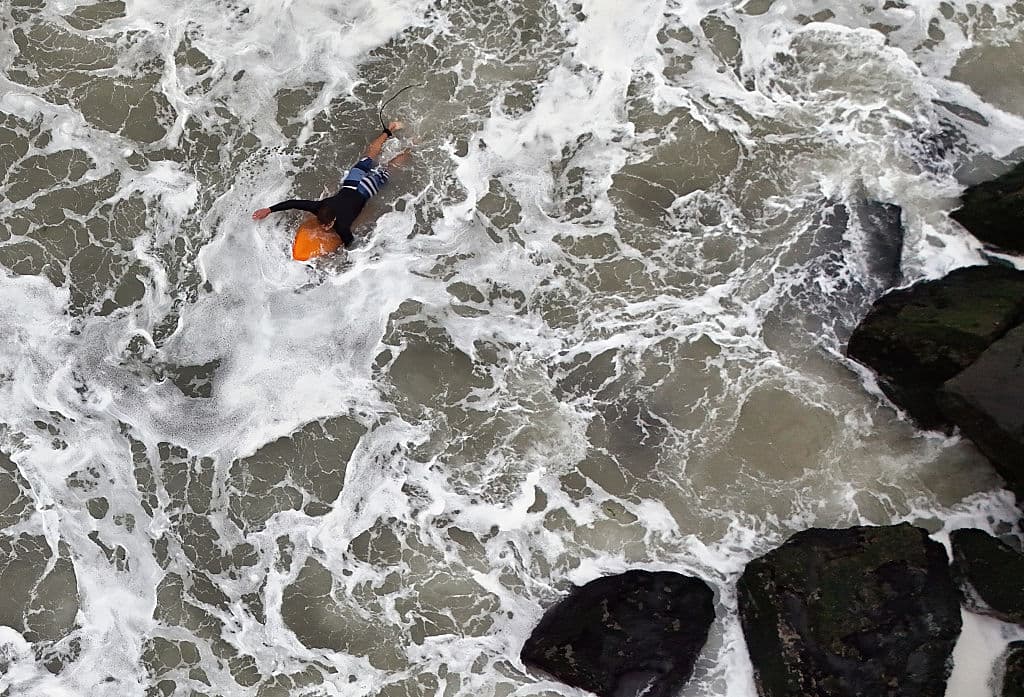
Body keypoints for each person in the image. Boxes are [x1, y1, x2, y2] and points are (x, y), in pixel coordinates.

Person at [252, 121, 411, 250]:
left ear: (333, 221)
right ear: (319, 213)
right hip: (352, 183)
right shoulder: (319, 207)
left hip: (365, 188)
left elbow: (350, 244)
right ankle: (391, 129)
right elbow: (293, 203)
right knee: (370, 155)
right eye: (323, 224)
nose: (325, 228)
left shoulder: (341, 227)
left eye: (326, 226)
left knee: (387, 168)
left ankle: (410, 145)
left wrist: (340, 253)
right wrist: (269, 210)